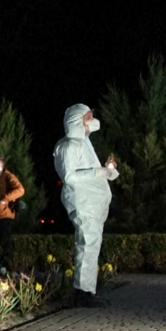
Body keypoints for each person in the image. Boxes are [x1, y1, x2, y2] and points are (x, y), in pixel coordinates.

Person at [53, 104, 118, 308]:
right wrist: (98, 172)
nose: (92, 121)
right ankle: (82, 293)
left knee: (91, 246)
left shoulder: (83, 143)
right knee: (87, 245)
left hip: (92, 203)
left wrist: (106, 172)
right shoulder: (68, 146)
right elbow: (70, 177)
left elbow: (88, 170)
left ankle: (88, 290)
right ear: (76, 120)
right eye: (88, 117)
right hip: (83, 202)